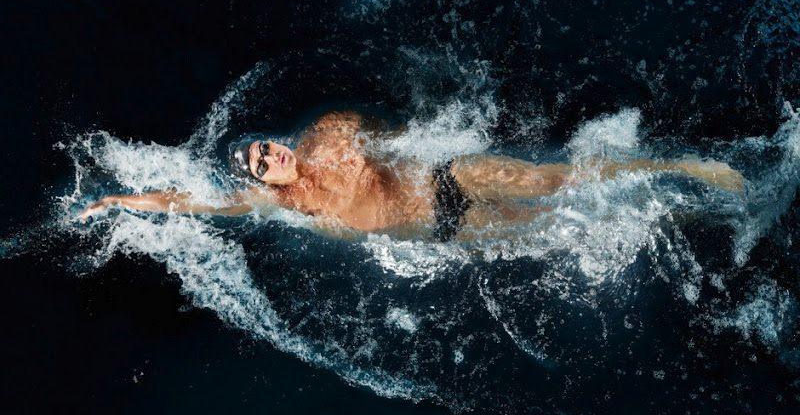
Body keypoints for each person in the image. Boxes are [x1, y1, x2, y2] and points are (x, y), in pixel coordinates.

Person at [79, 111, 745, 240]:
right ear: (263, 181)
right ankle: (681, 214)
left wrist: (428, 140)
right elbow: (194, 203)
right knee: (572, 231)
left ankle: (681, 164)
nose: (270, 157)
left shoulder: (327, 135)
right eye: (259, 163)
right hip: (446, 228)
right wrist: (117, 199)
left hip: (450, 177)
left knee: (552, 183)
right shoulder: (283, 205)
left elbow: (400, 133)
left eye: (266, 148)